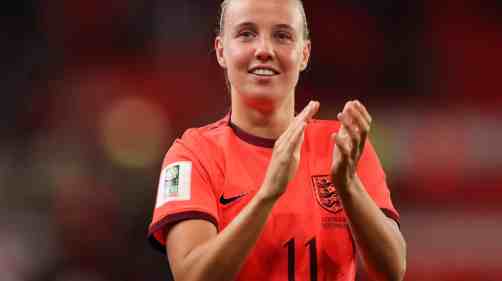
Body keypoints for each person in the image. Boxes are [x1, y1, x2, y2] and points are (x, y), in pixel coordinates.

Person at [147, 0, 406, 280]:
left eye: (282, 35)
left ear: (304, 53)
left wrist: (348, 185)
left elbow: (392, 270)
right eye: (246, 33)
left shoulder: (344, 147)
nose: (264, 50)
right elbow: (191, 276)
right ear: (221, 50)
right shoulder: (191, 156)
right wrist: (268, 194)